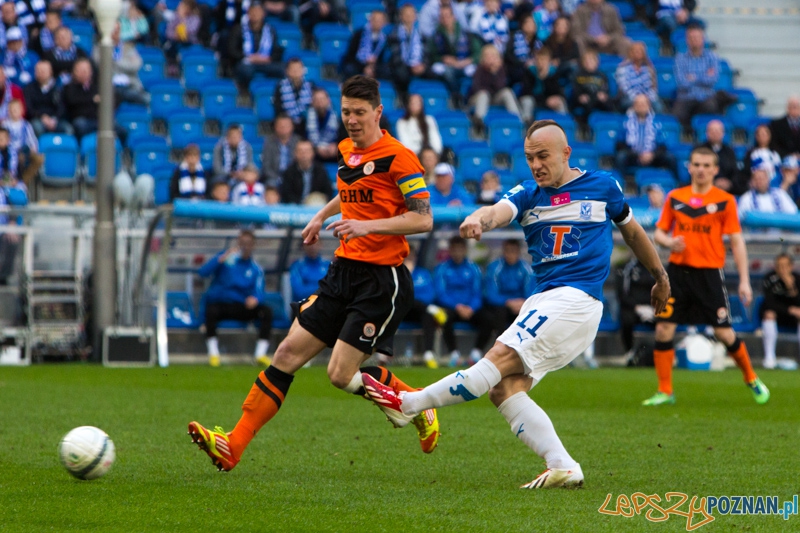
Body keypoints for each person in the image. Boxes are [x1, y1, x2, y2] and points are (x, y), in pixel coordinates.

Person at [361, 119, 670, 489]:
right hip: (546, 302)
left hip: (574, 300)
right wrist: (477, 219)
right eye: (529, 158)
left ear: (566, 153)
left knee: (495, 361)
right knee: (503, 388)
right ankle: (562, 464)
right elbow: (496, 212)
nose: (536, 164)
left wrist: (661, 276)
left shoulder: (604, 186)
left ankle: (410, 405)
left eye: (543, 156)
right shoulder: (527, 193)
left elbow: (633, 232)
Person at [187, 75, 440, 472]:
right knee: (286, 352)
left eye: (359, 112)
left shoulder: (399, 157)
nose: (351, 120)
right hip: (343, 271)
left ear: (378, 112)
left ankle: (417, 404)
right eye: (345, 112)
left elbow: (423, 220)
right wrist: (320, 215)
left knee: (339, 374)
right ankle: (231, 445)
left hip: (381, 279)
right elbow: (352, 192)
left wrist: (367, 227)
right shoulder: (345, 150)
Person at [644, 146, 769, 406]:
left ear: (715, 169)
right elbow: (659, 233)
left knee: (723, 333)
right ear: (689, 167)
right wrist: (669, 242)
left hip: (709, 275)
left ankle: (751, 378)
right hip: (678, 274)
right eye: (696, 164)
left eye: (706, 165)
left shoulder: (725, 200)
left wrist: (745, 280)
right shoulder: (676, 197)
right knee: (664, 329)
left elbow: (736, 241)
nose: (700, 169)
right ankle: (665, 391)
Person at [197, 229, 274, 368]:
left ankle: (260, 354)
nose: (245, 246)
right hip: (222, 304)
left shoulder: (255, 268)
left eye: (248, 243)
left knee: (266, 311)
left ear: (253, 245)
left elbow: (260, 291)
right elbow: (203, 272)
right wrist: (221, 259)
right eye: (242, 243)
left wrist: (255, 299)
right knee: (211, 311)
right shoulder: (226, 260)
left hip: (242, 305)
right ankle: (213, 354)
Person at [473, 239, 534, 363]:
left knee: (530, 314)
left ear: (518, 252)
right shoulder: (495, 268)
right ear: (503, 252)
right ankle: (500, 350)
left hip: (520, 305)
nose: (510, 254)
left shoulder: (527, 269)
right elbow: (491, 294)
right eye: (508, 251)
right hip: (501, 306)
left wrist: (523, 302)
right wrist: (508, 302)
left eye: (513, 251)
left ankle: (527, 354)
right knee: (498, 313)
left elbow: (531, 292)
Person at [432, 235, 484, 366]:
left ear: (465, 250)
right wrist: (457, 307)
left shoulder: (474, 268)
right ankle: (454, 354)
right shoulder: (442, 268)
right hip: (453, 308)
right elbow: (441, 293)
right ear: (449, 250)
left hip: (470, 309)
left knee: (488, 318)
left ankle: (476, 354)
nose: (457, 253)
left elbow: (478, 292)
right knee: (444, 318)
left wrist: (471, 307)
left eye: (460, 249)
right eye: (454, 249)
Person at [426, 4, 481, 104]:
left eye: (447, 16)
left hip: (465, 64)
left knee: (474, 71)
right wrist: (443, 59)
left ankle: (469, 98)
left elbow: (478, 53)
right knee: (446, 72)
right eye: (442, 17)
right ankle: (456, 97)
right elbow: (432, 56)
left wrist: (466, 61)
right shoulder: (436, 35)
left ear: (453, 17)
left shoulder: (466, 33)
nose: (445, 19)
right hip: (448, 66)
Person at [616, 94, 676, 177]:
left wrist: (652, 155)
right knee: (621, 157)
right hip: (633, 156)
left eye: (643, 104)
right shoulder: (625, 123)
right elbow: (619, 144)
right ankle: (621, 184)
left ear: (649, 106)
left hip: (653, 157)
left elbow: (663, 146)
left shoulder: (657, 123)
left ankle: (675, 184)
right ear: (634, 106)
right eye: (638, 104)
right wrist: (637, 154)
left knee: (670, 158)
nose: (641, 106)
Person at [672, 24, 718, 128]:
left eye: (697, 37)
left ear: (703, 39)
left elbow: (712, 79)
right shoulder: (680, 58)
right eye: (691, 38)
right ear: (687, 40)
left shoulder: (712, 57)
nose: (694, 40)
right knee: (677, 113)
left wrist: (693, 78)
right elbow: (681, 82)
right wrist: (703, 76)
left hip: (706, 97)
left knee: (711, 107)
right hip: (686, 97)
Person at [760, 253, 800, 370]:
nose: (782, 270)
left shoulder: (797, 279)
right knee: (769, 314)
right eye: (779, 266)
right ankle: (769, 358)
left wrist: (791, 287)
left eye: (785, 266)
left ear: (791, 267)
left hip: (793, 318)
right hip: (777, 315)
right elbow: (769, 302)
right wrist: (789, 310)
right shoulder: (769, 279)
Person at [469, 44, 523, 129]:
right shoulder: (479, 69)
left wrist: (494, 73)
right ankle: (479, 122)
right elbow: (477, 88)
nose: (490, 59)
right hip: (478, 98)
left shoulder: (500, 69)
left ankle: (518, 121)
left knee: (507, 92)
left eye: (493, 56)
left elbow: (500, 87)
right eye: (487, 56)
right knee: (484, 94)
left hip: (495, 98)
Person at [229, 3, 284, 87]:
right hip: (247, 62)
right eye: (253, 11)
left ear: (263, 14)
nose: (255, 14)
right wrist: (249, 57)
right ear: (248, 13)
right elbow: (232, 50)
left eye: (258, 12)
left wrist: (268, 58)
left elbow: (276, 50)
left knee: (282, 69)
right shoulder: (238, 29)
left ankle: (271, 90)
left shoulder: (270, 30)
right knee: (246, 70)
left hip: (265, 62)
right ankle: (244, 91)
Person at [99, 24, 149, 106]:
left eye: (117, 30)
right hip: (109, 87)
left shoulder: (129, 47)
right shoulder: (101, 47)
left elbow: (136, 64)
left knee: (146, 99)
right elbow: (100, 64)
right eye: (113, 30)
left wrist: (116, 62)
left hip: (129, 84)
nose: (115, 32)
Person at [616, 256, 656, 357]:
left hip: (653, 309)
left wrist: (654, 308)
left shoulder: (658, 268)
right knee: (626, 320)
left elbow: (664, 291)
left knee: (666, 320)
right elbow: (622, 293)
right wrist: (637, 308)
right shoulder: (627, 268)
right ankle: (629, 353)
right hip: (633, 309)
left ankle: (664, 353)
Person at [341, 11, 392, 81]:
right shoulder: (359, 34)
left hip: (375, 67)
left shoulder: (385, 39)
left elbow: (383, 59)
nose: (377, 23)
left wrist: (372, 68)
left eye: (380, 21)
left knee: (387, 71)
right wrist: (364, 66)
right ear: (370, 20)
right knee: (350, 69)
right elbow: (350, 55)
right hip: (358, 64)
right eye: (375, 20)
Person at [24, 61, 71, 137]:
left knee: (68, 129)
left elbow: (62, 107)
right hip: (38, 119)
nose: (41, 73)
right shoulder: (29, 89)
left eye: (44, 71)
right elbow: (29, 108)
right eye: (38, 71)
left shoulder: (58, 88)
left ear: (50, 72)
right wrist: (42, 117)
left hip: (55, 119)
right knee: (37, 127)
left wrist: (54, 119)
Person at [520, 46, 568, 121]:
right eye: (538, 59)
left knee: (560, 101)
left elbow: (557, 91)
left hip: (548, 101)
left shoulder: (553, 73)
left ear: (548, 61)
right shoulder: (529, 72)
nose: (540, 62)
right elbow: (526, 92)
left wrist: (545, 77)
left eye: (543, 60)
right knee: (527, 101)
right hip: (535, 100)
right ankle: (526, 127)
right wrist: (544, 100)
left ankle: (564, 125)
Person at [2, 99, 41, 190]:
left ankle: (22, 181)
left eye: (15, 109)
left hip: (23, 151)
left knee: (38, 158)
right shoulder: (5, 125)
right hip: (8, 151)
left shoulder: (26, 125)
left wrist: (33, 149)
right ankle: (9, 180)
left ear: (21, 110)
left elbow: (32, 141)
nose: (13, 112)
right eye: (11, 110)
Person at [279, 140, 332, 204]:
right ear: (295, 153)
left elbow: (328, 192)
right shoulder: (289, 172)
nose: (303, 154)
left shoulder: (320, 170)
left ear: (313, 153)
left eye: (306, 151)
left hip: (315, 206)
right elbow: (286, 194)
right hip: (295, 207)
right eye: (300, 151)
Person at [569, 49, 614, 123]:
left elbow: (605, 87)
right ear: (583, 63)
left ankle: (608, 124)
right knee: (586, 103)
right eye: (586, 61)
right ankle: (584, 126)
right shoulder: (577, 75)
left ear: (596, 63)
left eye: (591, 61)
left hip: (597, 97)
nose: (589, 63)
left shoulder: (601, 75)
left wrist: (603, 94)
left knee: (609, 104)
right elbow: (575, 88)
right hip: (584, 97)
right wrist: (580, 96)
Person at [59, 59, 98, 140]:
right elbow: (73, 102)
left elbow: (114, 97)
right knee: (80, 125)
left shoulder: (97, 86)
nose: (83, 73)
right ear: (74, 72)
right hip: (79, 120)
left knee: (119, 129)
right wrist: (92, 100)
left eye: (85, 70)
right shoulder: (68, 88)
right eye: (80, 70)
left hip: (97, 119)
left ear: (91, 72)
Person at [616, 41, 660, 112]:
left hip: (647, 97)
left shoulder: (650, 68)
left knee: (658, 107)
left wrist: (646, 98)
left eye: (640, 51)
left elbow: (653, 88)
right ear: (630, 53)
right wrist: (638, 99)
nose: (638, 53)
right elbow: (624, 88)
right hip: (629, 97)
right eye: (635, 51)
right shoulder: (622, 68)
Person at [273, 58, 314, 133]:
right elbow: (278, 108)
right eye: (293, 69)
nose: (295, 71)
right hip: (288, 124)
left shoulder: (311, 86)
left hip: (306, 124)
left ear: (303, 70)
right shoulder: (280, 87)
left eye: (298, 68)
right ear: (287, 71)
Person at [699, 119, 739, 193]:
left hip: (727, 189)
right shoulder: (700, 150)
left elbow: (734, 171)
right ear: (707, 133)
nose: (715, 133)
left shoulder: (729, 151)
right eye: (712, 131)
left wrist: (729, 183)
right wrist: (713, 182)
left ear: (723, 133)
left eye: (717, 131)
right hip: (705, 188)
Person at [261, 114, 299, 186]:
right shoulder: (269, 142)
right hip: (274, 177)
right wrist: (277, 178)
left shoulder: (298, 142)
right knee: (271, 184)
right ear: (275, 127)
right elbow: (266, 166)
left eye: (286, 125)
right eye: (280, 126)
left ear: (292, 127)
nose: (283, 128)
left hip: (293, 177)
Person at [504, 14, 542, 88]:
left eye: (533, 23)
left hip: (534, 67)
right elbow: (508, 55)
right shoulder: (514, 37)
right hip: (516, 67)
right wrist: (523, 63)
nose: (531, 25)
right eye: (528, 23)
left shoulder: (538, 42)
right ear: (522, 25)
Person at [306, 88, 340, 163]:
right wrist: (315, 148)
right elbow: (303, 139)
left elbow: (344, 137)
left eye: (322, 99)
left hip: (334, 154)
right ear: (312, 102)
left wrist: (336, 146)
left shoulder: (338, 118)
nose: (320, 102)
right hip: (313, 155)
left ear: (328, 100)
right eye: (317, 99)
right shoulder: (305, 119)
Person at [165, 0, 201, 69]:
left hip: (190, 43)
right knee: (169, 47)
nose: (179, 8)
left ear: (188, 8)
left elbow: (190, 32)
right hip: (175, 43)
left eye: (182, 6)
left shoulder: (195, 18)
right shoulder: (175, 17)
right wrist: (175, 36)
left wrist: (182, 19)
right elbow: (168, 32)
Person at [543, 16, 579, 80]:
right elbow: (545, 55)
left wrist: (559, 60)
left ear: (568, 28)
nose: (560, 27)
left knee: (573, 66)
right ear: (554, 27)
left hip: (566, 66)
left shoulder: (572, 42)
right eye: (558, 25)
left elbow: (575, 56)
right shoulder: (548, 42)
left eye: (563, 25)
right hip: (552, 67)